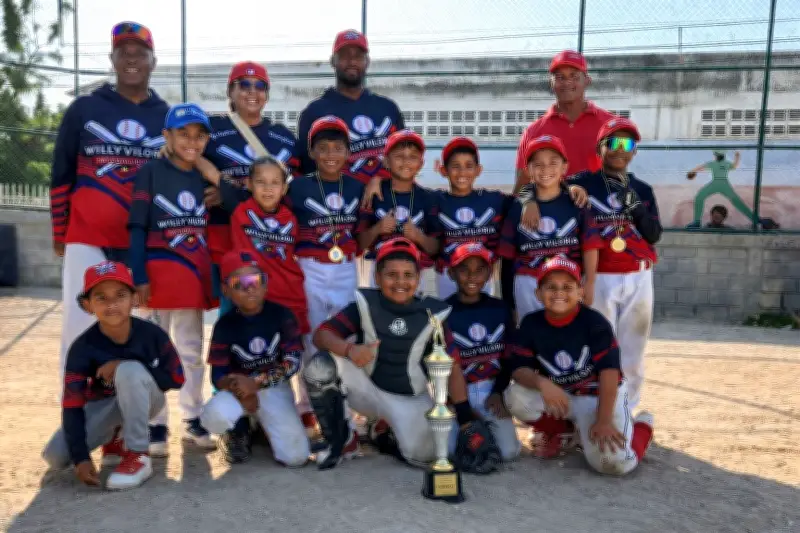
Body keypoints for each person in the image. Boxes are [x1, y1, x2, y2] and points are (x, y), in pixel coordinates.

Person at [50, 21, 169, 385]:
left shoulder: (165, 115)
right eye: (124, 52)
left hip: (141, 244)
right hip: (87, 237)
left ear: (153, 61)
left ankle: (140, 424)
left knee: (141, 330)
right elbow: (61, 173)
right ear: (112, 59)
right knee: (80, 323)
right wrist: (60, 231)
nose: (131, 59)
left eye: (139, 53)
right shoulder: (85, 108)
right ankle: (75, 411)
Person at [302, 238, 477, 469]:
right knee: (319, 367)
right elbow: (322, 335)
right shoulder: (365, 303)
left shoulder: (433, 313)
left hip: (410, 397)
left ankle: (384, 432)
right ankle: (341, 441)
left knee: (430, 454)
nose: (400, 282)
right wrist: (349, 349)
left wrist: (465, 420)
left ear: (418, 278)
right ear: (377, 277)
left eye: (408, 275)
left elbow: (452, 366)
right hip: (368, 387)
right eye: (391, 274)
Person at [504, 257, 655, 475]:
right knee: (514, 396)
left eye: (567, 287)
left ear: (581, 292)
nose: (559, 293)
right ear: (538, 294)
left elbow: (609, 373)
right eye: (551, 287)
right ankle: (565, 432)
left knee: (615, 465)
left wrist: (603, 421)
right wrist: (542, 383)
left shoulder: (595, 323)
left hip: (597, 397)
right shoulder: (531, 324)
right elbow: (519, 369)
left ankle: (642, 426)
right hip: (561, 396)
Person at [42, 261, 184, 490]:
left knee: (129, 370)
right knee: (56, 457)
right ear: (87, 305)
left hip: (148, 400)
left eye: (120, 295)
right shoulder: (82, 347)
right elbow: (72, 405)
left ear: (134, 299)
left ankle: (138, 454)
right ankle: (114, 436)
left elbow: (176, 379)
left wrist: (128, 364)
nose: (112, 304)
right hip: (105, 407)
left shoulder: (152, 334)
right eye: (101, 298)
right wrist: (81, 458)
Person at [128, 103, 217, 455]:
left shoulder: (203, 177)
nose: (191, 142)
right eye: (183, 134)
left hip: (190, 277)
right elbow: (137, 226)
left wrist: (215, 178)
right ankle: (156, 423)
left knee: (191, 352)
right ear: (166, 136)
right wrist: (137, 275)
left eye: (199, 136)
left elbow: (241, 198)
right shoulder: (150, 172)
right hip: (155, 277)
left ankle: (193, 417)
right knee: (152, 353)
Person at [568, 117, 662, 411]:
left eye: (628, 144)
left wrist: (637, 210)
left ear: (634, 151)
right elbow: (540, 186)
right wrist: (568, 189)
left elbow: (654, 235)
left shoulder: (642, 189)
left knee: (633, 347)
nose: (621, 150)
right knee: (598, 343)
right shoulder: (583, 182)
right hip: (601, 275)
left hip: (638, 275)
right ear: (600, 147)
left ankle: (627, 409)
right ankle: (596, 405)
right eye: (614, 142)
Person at [195, 61, 300, 316]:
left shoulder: (283, 136)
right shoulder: (212, 129)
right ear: (230, 91)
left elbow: (293, 188)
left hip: (270, 242)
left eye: (260, 86)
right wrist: (215, 181)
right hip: (225, 240)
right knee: (233, 313)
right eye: (244, 85)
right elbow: (188, 154)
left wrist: (230, 191)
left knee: (271, 312)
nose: (252, 91)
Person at [284, 116, 365, 424]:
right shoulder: (299, 187)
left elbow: (362, 230)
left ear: (348, 152)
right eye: (323, 148)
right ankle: (308, 405)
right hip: (311, 267)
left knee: (346, 333)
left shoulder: (357, 187)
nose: (331, 154)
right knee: (311, 336)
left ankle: (344, 403)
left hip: (344, 266)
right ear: (313, 153)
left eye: (338, 148)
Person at [200, 251, 310, 466]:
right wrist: (241, 391)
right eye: (239, 283)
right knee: (214, 416)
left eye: (255, 280)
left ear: (265, 284)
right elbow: (218, 376)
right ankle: (238, 429)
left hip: (273, 388)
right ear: (226, 289)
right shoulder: (224, 325)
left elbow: (293, 362)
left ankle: (262, 426)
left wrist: (256, 383)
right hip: (238, 389)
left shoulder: (282, 315)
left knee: (296, 458)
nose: (250, 288)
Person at [499, 135, 595, 325]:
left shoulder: (576, 203)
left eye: (553, 163)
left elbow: (590, 246)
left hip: (567, 283)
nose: (546, 170)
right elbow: (507, 258)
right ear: (528, 170)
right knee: (531, 336)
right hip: (528, 282)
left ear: (565, 167)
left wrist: (589, 283)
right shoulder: (518, 207)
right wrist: (508, 302)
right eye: (538, 165)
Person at [445, 243, 520, 462]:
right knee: (447, 453)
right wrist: (460, 407)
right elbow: (443, 366)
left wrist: (498, 391)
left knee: (508, 452)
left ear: (489, 273)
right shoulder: (443, 311)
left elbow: (508, 357)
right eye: (464, 269)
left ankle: (482, 427)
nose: (472, 276)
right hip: (458, 392)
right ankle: (468, 425)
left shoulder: (500, 309)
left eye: (480, 270)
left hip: (490, 391)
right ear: (451, 273)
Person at [513, 50, 615, 196]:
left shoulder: (610, 124)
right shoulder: (533, 132)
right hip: (554, 215)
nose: (567, 82)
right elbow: (522, 186)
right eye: (560, 77)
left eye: (574, 76)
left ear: (587, 80)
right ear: (552, 83)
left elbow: (619, 173)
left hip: (600, 212)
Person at [357, 130, 440, 294]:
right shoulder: (373, 195)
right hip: (380, 270)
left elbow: (435, 247)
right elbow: (360, 243)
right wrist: (377, 229)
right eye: (399, 156)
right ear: (386, 161)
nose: (406, 162)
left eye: (412, 157)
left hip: (414, 271)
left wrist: (418, 236)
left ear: (421, 163)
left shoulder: (428, 198)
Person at [433, 138, 511, 299]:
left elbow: (521, 201)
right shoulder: (434, 200)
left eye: (469, 166)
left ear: (479, 170)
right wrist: (376, 181)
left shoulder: (493, 200)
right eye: (455, 166)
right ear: (443, 170)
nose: (462, 172)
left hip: (482, 275)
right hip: (448, 275)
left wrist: (528, 198)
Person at [685, 150, 773, 229]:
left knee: (737, 202)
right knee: (699, 197)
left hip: (723, 183)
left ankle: (756, 220)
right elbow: (701, 167)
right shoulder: (713, 163)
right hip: (715, 183)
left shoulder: (725, 163)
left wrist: (737, 157)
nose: (718, 156)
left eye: (719, 154)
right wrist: (692, 172)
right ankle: (696, 222)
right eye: (718, 154)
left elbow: (734, 166)